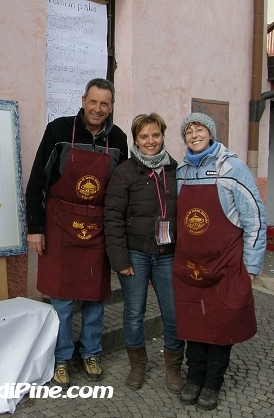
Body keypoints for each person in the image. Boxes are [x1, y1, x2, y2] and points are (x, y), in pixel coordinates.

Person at [26, 78, 128, 387]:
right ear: (83, 101)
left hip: (98, 227)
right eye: (93, 102)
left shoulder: (119, 139)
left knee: (96, 297)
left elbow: (122, 190)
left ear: (111, 107)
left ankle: (92, 352)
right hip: (59, 224)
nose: (98, 109)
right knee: (62, 300)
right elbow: (36, 183)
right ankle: (62, 358)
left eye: (105, 104)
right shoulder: (58, 131)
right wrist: (35, 229)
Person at [174, 113, 266, 410]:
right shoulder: (182, 171)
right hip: (191, 267)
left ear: (211, 134)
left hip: (225, 264)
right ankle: (194, 378)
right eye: (188, 131)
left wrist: (252, 264)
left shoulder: (233, 168)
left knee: (220, 326)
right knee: (194, 325)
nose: (194, 134)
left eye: (199, 129)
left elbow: (255, 218)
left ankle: (212, 384)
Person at [104, 113, 185, 392]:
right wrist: (120, 259)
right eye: (143, 136)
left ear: (163, 136)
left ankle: (174, 366)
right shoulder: (125, 172)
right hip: (136, 253)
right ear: (136, 140)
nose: (150, 141)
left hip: (168, 254)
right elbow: (112, 216)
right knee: (134, 313)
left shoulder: (177, 171)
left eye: (155, 135)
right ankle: (137, 363)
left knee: (173, 313)